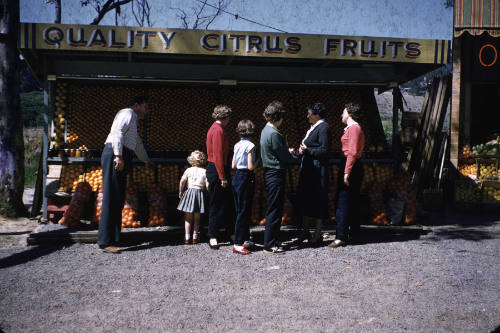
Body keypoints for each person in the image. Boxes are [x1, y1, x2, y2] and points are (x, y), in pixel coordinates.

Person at [98, 96, 153, 254]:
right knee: (111, 196)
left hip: (123, 154)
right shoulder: (127, 113)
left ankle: (115, 236)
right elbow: (117, 133)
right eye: (145, 107)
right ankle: (104, 242)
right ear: (136, 106)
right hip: (115, 154)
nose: (147, 111)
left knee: (118, 197)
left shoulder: (134, 120)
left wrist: (146, 160)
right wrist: (118, 155)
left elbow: (137, 144)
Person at [260, 101, 299, 253]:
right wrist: (297, 157)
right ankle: (270, 244)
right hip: (275, 173)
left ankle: (273, 241)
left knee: (273, 208)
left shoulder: (265, 131)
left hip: (270, 172)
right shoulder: (274, 134)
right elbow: (284, 157)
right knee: (275, 209)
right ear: (278, 117)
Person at [329, 102, 365, 248]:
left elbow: (353, 152)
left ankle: (341, 236)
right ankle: (352, 233)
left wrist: (346, 171)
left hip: (351, 165)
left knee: (343, 202)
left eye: (343, 112)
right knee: (350, 200)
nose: (341, 115)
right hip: (349, 164)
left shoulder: (354, 128)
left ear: (349, 113)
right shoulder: (352, 128)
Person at [297, 102, 332, 246]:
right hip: (309, 169)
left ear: (317, 114)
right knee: (306, 199)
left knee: (317, 200)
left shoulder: (323, 128)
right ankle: (305, 230)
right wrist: (300, 151)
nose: (307, 116)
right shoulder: (313, 128)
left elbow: (324, 150)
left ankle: (317, 233)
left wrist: (307, 151)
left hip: (317, 171)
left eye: (309, 113)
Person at [206, 105, 234, 250]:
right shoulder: (218, 131)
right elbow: (217, 155)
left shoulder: (214, 128)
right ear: (226, 117)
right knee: (217, 203)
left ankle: (225, 233)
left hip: (216, 169)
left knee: (225, 202)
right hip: (218, 170)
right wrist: (222, 176)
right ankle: (213, 236)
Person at [231, 120, 259, 255]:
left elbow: (233, 165)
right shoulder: (251, 146)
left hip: (236, 177)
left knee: (239, 210)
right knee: (244, 211)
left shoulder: (237, 145)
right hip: (246, 178)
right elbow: (250, 166)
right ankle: (237, 243)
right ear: (251, 131)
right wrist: (259, 161)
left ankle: (244, 239)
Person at [177, 150, 209, 245]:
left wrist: (181, 191)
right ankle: (195, 237)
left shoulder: (188, 170)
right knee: (197, 219)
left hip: (189, 193)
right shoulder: (205, 171)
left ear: (191, 160)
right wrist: (208, 192)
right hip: (199, 194)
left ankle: (187, 237)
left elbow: (182, 181)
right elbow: (207, 185)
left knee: (188, 218)